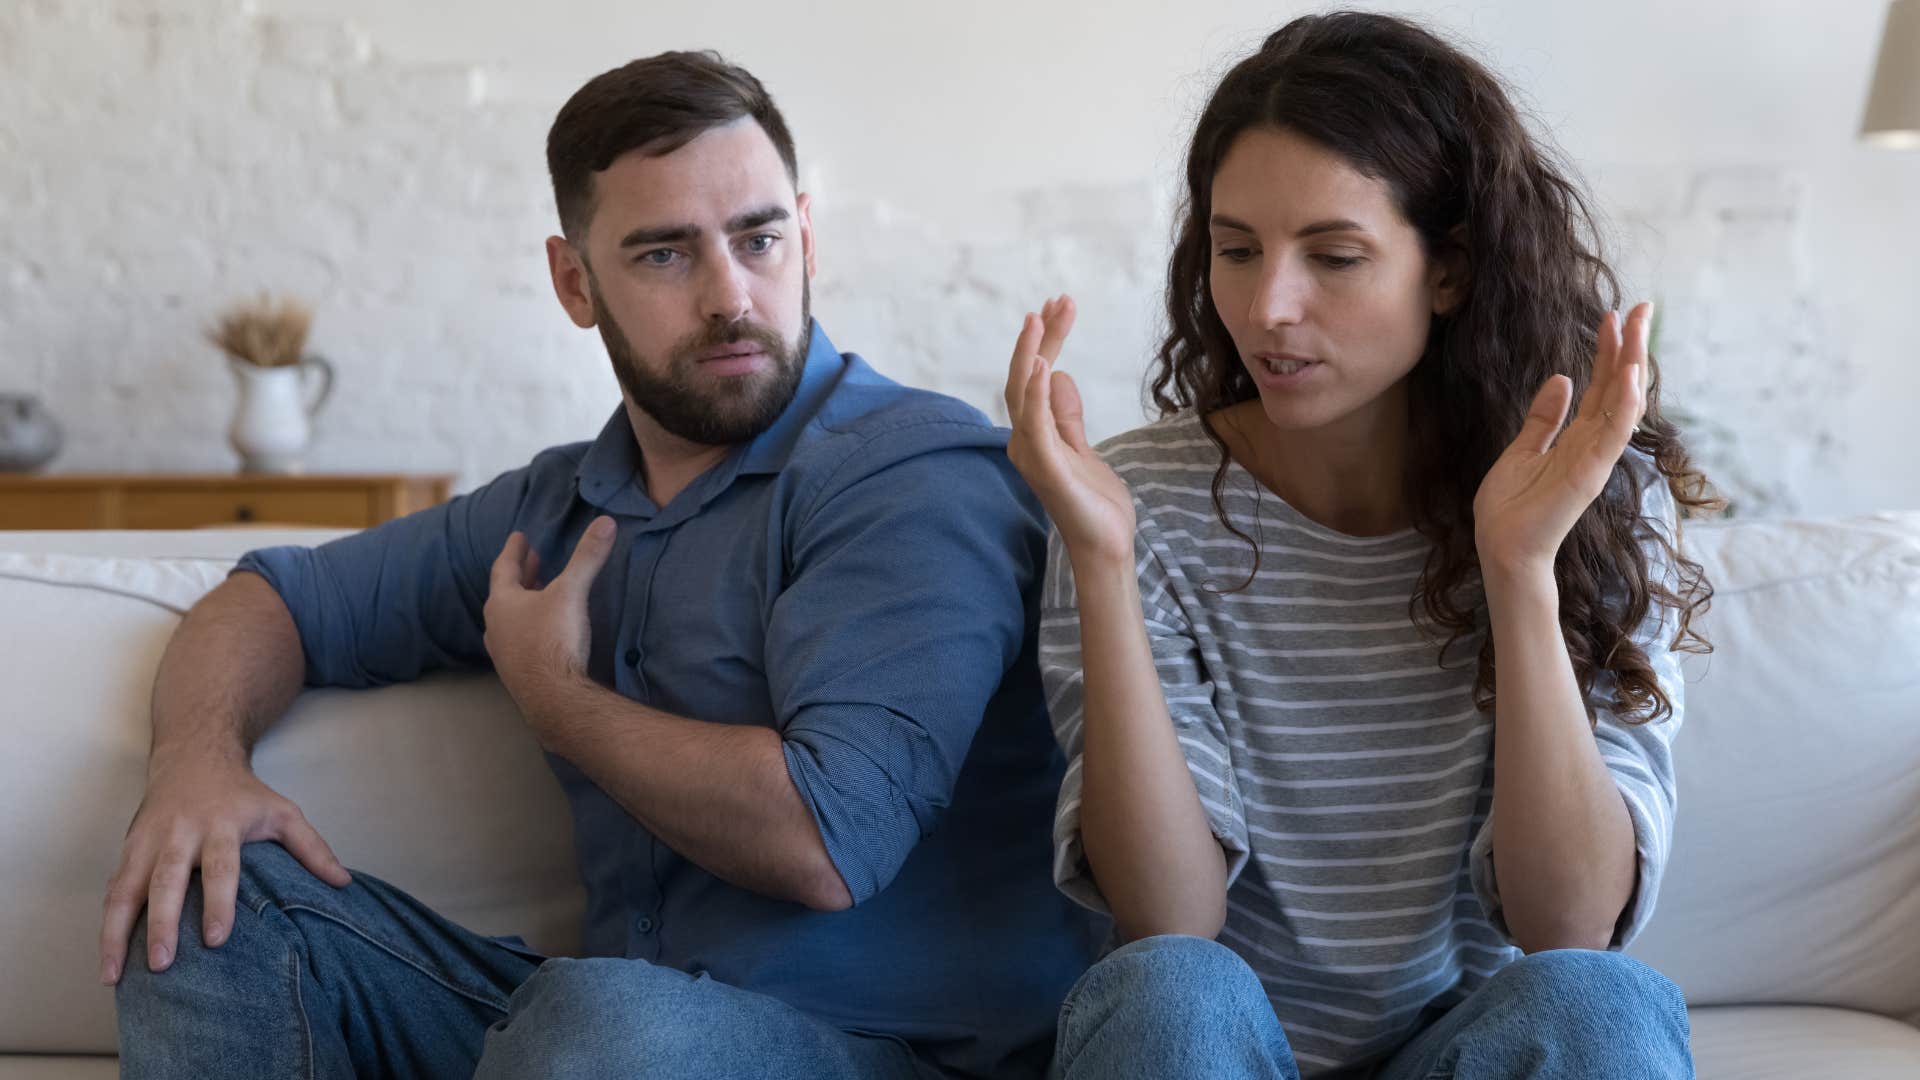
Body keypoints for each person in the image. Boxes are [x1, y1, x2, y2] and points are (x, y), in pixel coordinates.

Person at [104, 50, 1095, 1080]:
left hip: (892, 1056)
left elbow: (827, 840)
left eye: (758, 240)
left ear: (806, 237)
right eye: (665, 255)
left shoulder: (910, 474)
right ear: (574, 282)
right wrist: (195, 766)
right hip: (602, 1041)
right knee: (207, 889)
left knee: (604, 1024)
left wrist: (555, 697)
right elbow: (269, 600)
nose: (730, 296)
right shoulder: (556, 508)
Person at [1004, 12, 1716, 1079]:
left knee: (1600, 1005)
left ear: (1450, 269)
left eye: (1334, 256)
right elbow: (1168, 921)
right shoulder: (1128, 499)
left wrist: (1518, 571)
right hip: (1223, 1047)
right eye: (1235, 250)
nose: (1266, 307)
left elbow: (1568, 925)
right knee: (1167, 990)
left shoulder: (1592, 496)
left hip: (1462, 1051)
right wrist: (1103, 564)